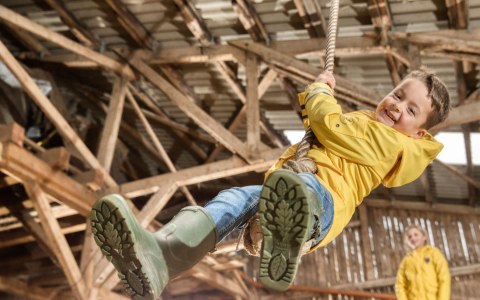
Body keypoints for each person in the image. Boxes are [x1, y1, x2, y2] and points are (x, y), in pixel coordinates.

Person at [90, 68, 451, 300]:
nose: (397, 105)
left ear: (418, 131)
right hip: (285, 187)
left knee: (299, 194)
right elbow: (325, 127)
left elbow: (331, 127)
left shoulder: (399, 147)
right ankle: (161, 256)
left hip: (323, 200)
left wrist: (320, 93)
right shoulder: (365, 119)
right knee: (232, 201)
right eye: (398, 94)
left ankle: (286, 230)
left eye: (411, 109)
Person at [395, 224, 451, 300]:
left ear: (424, 237)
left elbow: (444, 277)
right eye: (409, 237)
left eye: (416, 235)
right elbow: (400, 285)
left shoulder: (434, 253)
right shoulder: (405, 261)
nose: (413, 238)